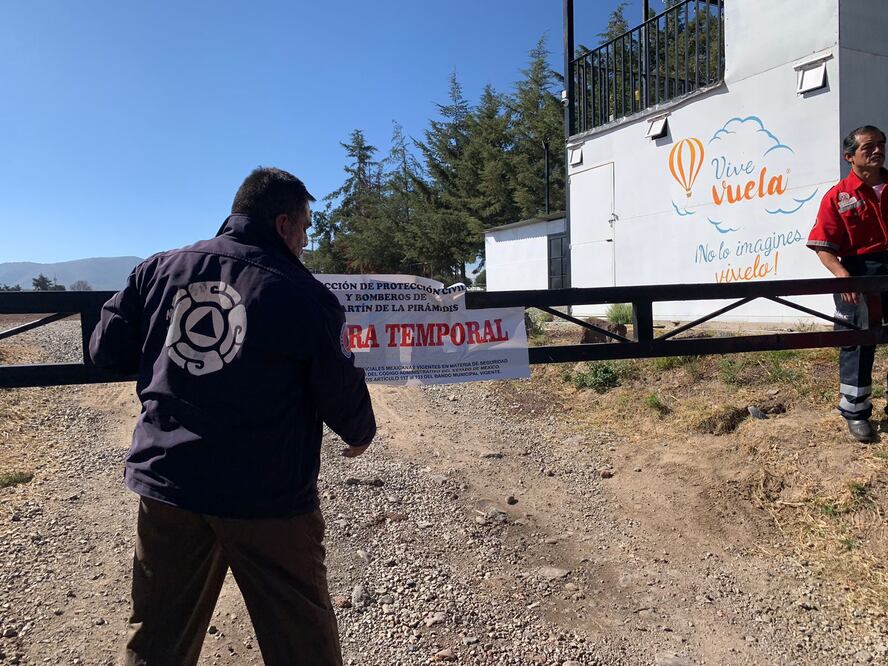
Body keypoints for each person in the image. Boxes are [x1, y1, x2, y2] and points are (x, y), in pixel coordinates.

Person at [89, 167, 376, 665]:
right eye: (306, 228)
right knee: (300, 639)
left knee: (158, 634)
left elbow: (105, 350)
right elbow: (338, 384)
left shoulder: (158, 269)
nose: (306, 241)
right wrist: (360, 431)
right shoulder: (305, 295)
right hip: (268, 497)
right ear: (283, 223)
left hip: (168, 482)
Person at [807, 125, 888, 443]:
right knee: (857, 341)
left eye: (881, 144)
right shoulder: (838, 197)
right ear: (849, 156)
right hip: (857, 273)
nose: (878, 151)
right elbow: (823, 246)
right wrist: (843, 276)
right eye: (869, 147)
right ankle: (855, 411)